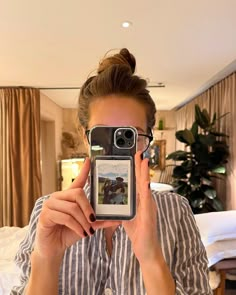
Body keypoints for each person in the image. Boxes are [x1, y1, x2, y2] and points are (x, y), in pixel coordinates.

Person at [11, 48, 212, 295]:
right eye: (103, 135)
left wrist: (151, 260)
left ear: (146, 139)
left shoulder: (176, 211)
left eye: (129, 136)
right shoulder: (48, 214)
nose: (116, 152)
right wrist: (46, 259)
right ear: (85, 137)